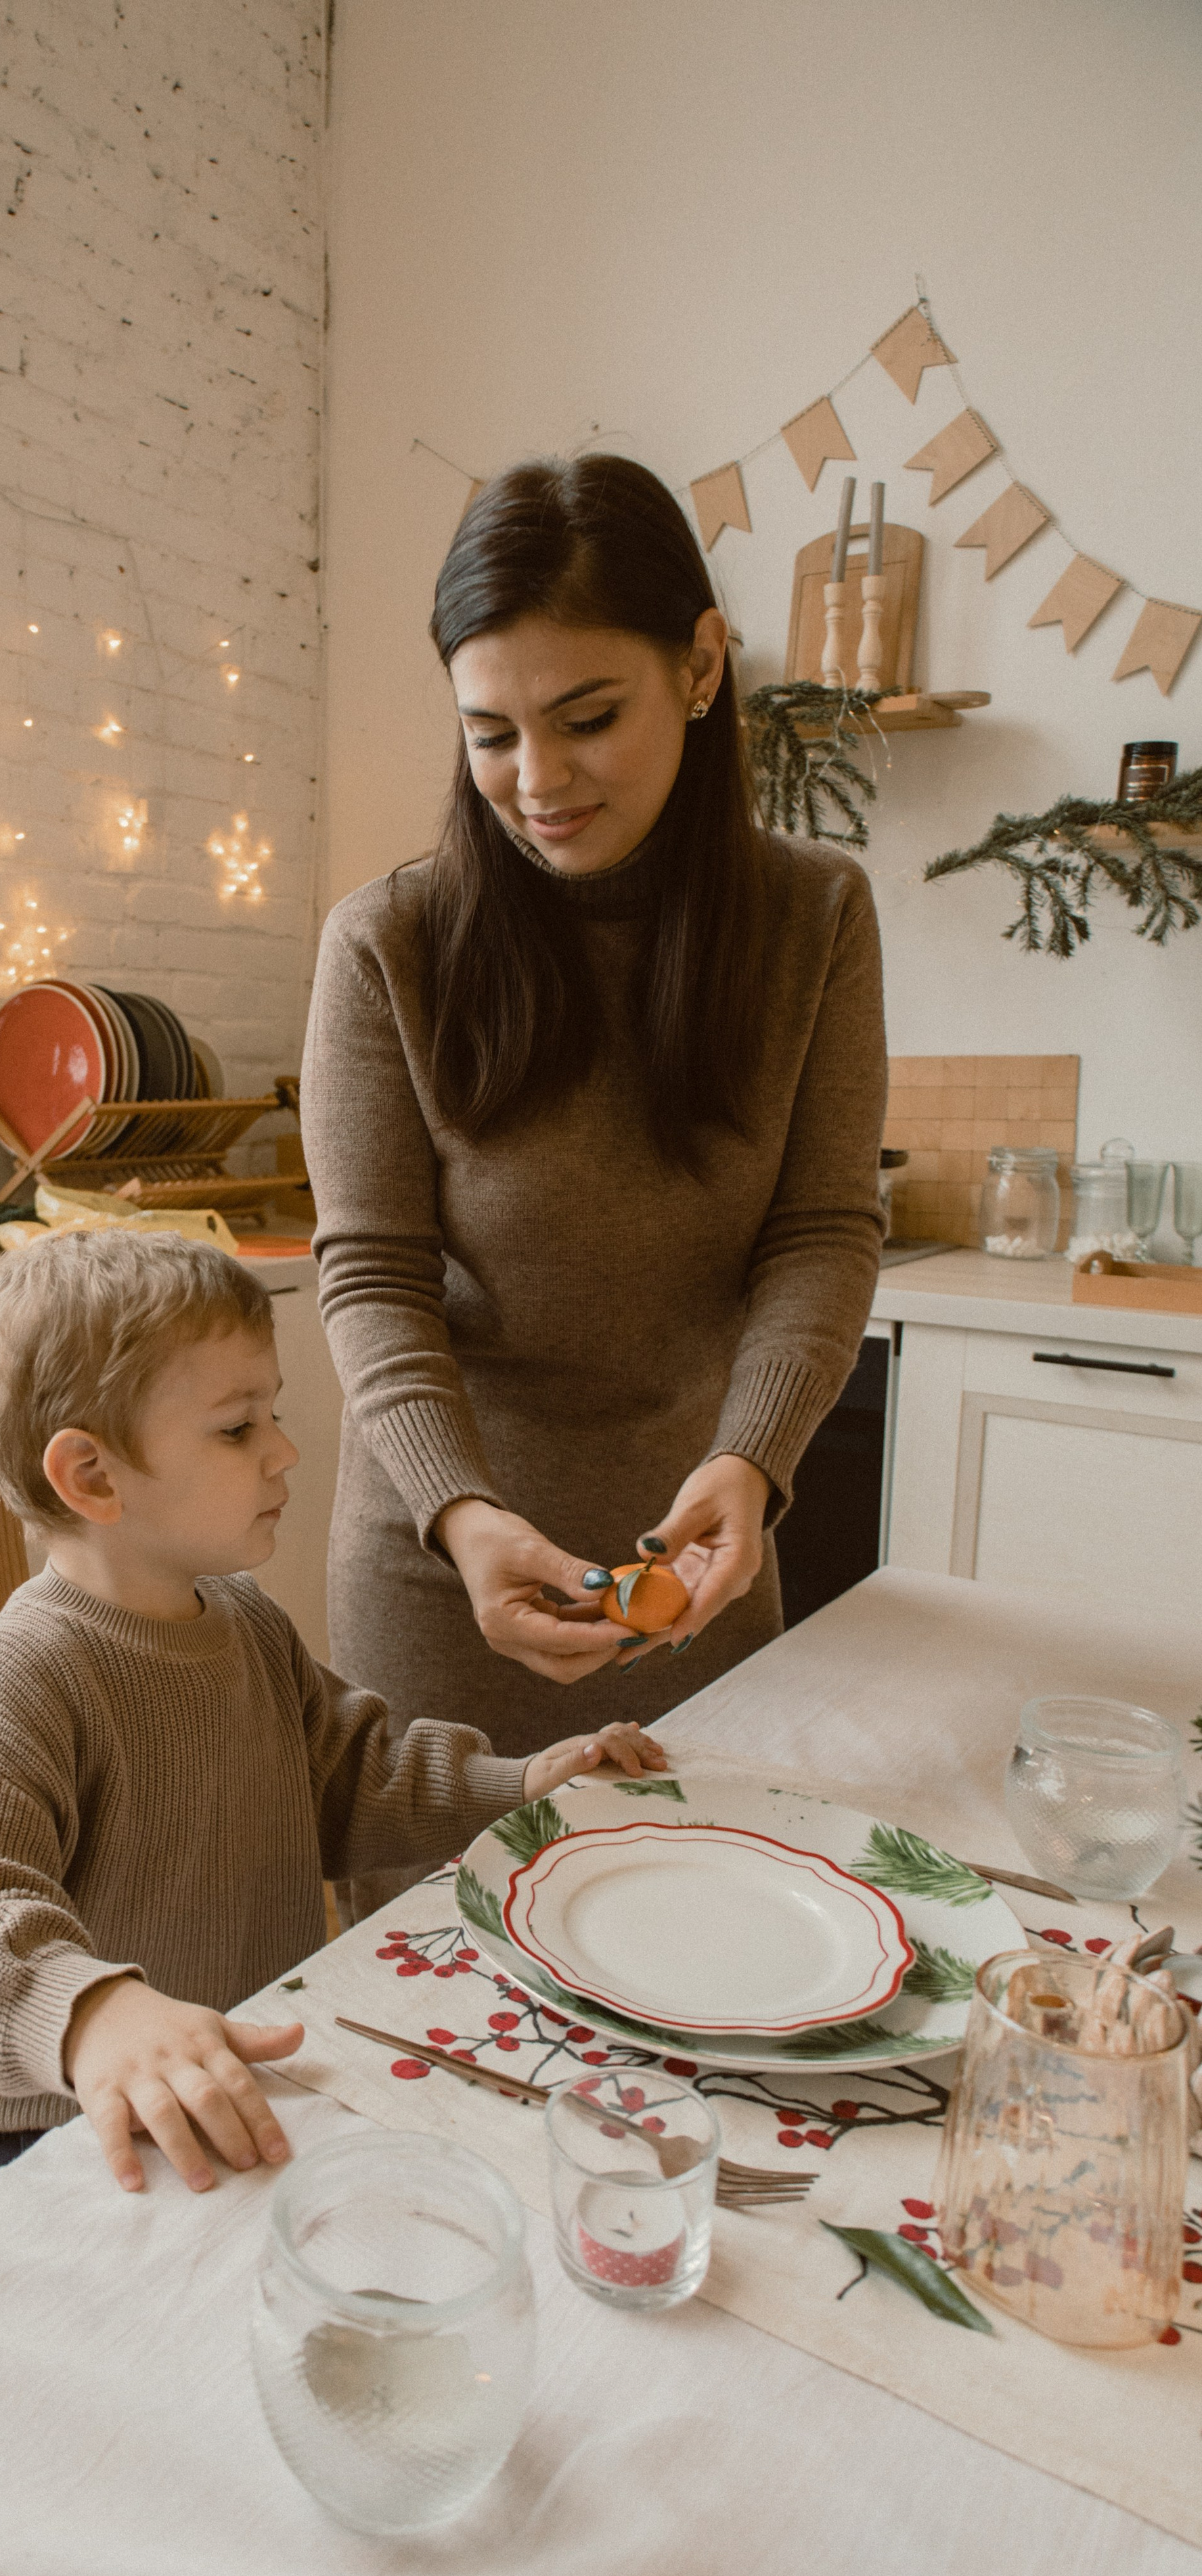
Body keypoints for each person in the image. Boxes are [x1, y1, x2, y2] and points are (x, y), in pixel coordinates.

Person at [300, 455, 887, 1873]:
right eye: (488, 734)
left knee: (699, 1958)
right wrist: (462, 1511)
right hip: (439, 1576)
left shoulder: (814, 918)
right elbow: (371, 1272)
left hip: (692, 1576)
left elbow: (818, 1231)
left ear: (698, 665)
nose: (535, 783)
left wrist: (749, 1465)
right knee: (432, 2020)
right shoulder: (387, 943)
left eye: (585, 720)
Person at [0, 1229, 665, 2201]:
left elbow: (355, 1780)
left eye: (274, 1416)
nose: (284, 1451)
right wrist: (92, 2017)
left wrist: (519, 1786)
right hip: (59, 2122)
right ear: (91, 1476)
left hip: (243, 2059)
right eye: (236, 1427)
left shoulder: (246, 1623)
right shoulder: (23, 1679)